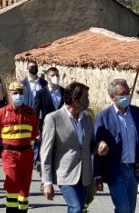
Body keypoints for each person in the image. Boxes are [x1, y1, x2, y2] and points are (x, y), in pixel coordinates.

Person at [93, 79, 139, 213]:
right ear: (113, 97)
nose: (127, 96)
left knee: (130, 209)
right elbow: (97, 147)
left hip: (133, 170)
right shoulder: (103, 116)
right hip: (116, 170)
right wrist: (97, 175)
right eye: (123, 94)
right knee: (123, 208)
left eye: (128, 93)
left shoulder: (137, 113)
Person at [40, 82, 94, 213]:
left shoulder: (86, 118)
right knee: (75, 207)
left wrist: (100, 145)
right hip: (66, 174)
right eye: (85, 97)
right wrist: (46, 182)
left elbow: (92, 143)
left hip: (85, 174)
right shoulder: (53, 118)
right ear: (75, 100)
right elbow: (45, 152)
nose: (88, 100)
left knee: (79, 208)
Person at [0, 81, 39, 213]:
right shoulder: (0, 114)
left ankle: (23, 210)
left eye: (21, 93)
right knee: (12, 185)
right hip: (9, 153)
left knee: (24, 187)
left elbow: (34, 135)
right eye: (15, 93)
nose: (18, 95)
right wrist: (2, 153)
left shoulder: (31, 112)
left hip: (27, 154)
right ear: (9, 95)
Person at [34, 67, 63, 135]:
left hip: (62, 129)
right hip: (46, 128)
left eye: (57, 75)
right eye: (52, 75)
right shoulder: (40, 93)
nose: (55, 77)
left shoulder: (64, 92)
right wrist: (37, 129)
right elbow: (36, 112)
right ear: (47, 78)